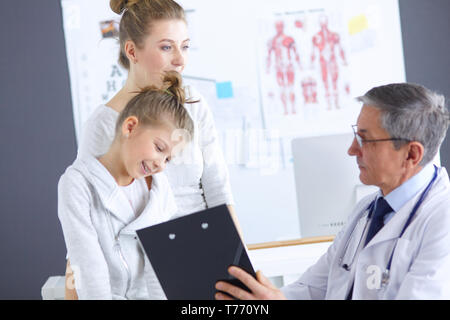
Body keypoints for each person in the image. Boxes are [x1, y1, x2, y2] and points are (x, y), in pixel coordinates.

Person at [65, 0, 242, 298]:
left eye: (184, 47)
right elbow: (86, 223)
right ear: (132, 51)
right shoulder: (104, 123)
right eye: (166, 47)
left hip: (206, 261)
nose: (180, 60)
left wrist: (239, 264)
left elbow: (218, 189)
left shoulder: (194, 105)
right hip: (144, 275)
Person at [216, 82, 450, 300]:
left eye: (365, 140)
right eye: (355, 136)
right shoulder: (367, 210)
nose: (351, 150)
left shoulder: (442, 222)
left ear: (411, 154)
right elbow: (313, 287)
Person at [59, 72, 195, 299]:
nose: (160, 165)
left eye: (168, 159)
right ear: (130, 127)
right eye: (159, 148)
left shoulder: (158, 191)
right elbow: (87, 266)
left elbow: (159, 266)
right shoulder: (78, 184)